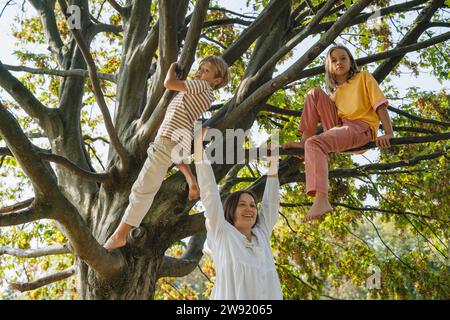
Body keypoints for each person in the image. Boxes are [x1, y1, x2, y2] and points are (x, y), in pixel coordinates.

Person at [104, 56, 230, 250]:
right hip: (177, 139)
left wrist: (170, 67)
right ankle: (191, 180)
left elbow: (169, 83)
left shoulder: (201, 87)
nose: (199, 72)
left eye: (206, 71)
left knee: (143, 188)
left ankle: (119, 235)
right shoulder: (203, 92)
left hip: (168, 139)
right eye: (200, 68)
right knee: (153, 180)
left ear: (217, 80)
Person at [283, 45, 394, 222]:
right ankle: (305, 141)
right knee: (314, 93)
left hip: (360, 128)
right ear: (329, 66)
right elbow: (330, 118)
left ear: (350, 61)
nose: (339, 62)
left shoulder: (363, 77)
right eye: (334, 60)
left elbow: (380, 104)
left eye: (343, 58)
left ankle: (321, 199)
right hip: (340, 128)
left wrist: (388, 132)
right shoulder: (334, 94)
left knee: (315, 143)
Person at [194, 128, 283, 300]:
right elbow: (210, 194)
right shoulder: (222, 233)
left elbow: (271, 203)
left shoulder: (262, 235)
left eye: (252, 205)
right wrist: (199, 148)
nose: (249, 209)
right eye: (242, 205)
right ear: (230, 210)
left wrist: (273, 164)